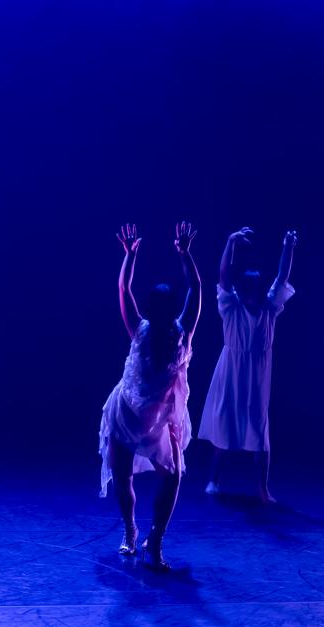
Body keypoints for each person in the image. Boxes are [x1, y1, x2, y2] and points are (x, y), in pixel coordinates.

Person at [99, 222, 201, 570]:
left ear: (168, 310)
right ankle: (131, 530)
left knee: (172, 476)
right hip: (126, 413)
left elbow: (196, 290)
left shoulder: (181, 335)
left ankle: (154, 540)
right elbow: (123, 288)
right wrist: (129, 257)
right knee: (123, 476)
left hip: (159, 420)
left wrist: (186, 255)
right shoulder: (140, 330)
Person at [198, 228, 297, 503]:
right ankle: (214, 480)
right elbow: (223, 277)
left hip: (258, 372)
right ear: (242, 291)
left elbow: (282, 277)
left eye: (256, 288)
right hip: (231, 370)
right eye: (248, 288)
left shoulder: (269, 308)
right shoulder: (231, 307)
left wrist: (288, 246)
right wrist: (230, 243)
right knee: (225, 422)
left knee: (259, 428)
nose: (253, 293)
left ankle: (263, 489)